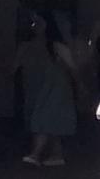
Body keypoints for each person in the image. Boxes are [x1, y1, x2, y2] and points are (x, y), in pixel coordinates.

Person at [17, 12, 79, 168]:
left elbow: (72, 68)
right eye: (33, 23)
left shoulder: (57, 46)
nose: (35, 26)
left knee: (44, 120)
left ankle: (35, 154)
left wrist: (80, 86)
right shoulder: (28, 46)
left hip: (57, 89)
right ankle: (57, 155)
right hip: (39, 88)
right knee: (51, 122)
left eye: (39, 22)